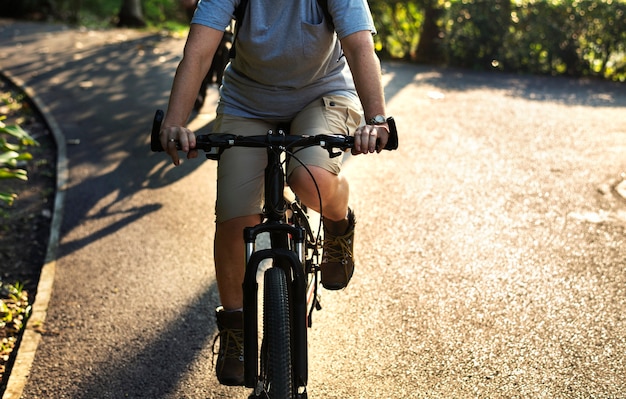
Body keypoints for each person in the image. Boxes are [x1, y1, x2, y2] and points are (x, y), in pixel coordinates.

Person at [160, 0, 392, 386]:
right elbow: (199, 51)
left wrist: (377, 119)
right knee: (236, 215)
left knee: (310, 177)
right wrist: (174, 122)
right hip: (246, 102)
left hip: (323, 95)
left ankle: (338, 224)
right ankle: (236, 328)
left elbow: (358, 46)